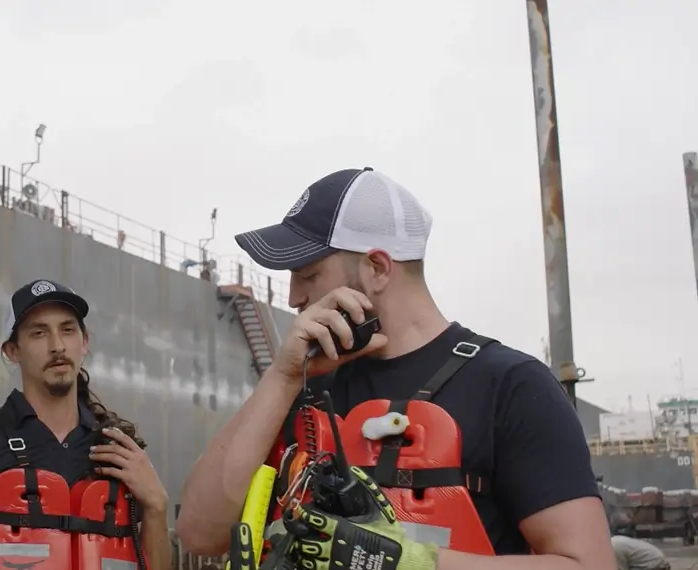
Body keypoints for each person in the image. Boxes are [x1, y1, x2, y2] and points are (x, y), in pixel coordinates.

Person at [176, 167, 616, 569]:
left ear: (377, 268)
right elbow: (199, 533)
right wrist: (283, 377)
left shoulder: (510, 385)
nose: (293, 297)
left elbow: (589, 564)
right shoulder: (300, 386)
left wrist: (410, 562)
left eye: (308, 275)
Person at [0, 279, 172, 569]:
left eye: (68, 330)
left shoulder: (118, 448)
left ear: (84, 342)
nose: (57, 346)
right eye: (39, 333)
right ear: (13, 351)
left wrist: (156, 506)